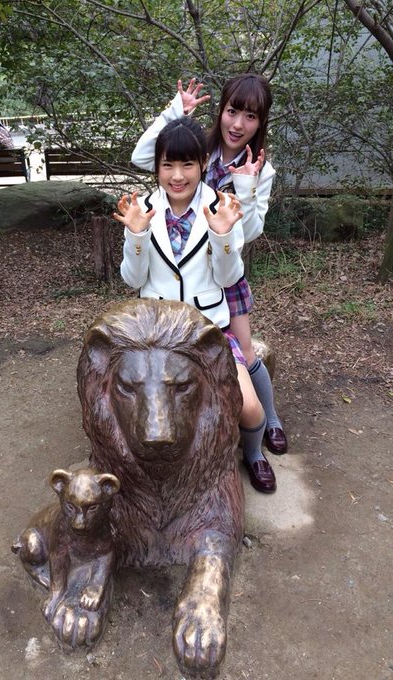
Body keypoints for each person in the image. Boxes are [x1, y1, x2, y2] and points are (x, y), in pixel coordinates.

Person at [114, 115, 277, 493]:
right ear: (156, 167)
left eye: (187, 164)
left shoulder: (222, 206)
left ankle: (254, 454)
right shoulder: (142, 208)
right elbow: (133, 280)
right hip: (156, 337)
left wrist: (223, 236)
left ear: (203, 163)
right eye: (167, 165)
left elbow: (228, 278)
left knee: (249, 408)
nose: (177, 176)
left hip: (210, 331)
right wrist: (136, 235)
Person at [130, 75, 288, 456]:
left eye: (250, 117)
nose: (238, 124)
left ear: (261, 122)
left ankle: (269, 418)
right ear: (221, 111)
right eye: (232, 111)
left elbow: (251, 231)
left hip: (225, 267)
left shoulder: (260, 169)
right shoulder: (201, 149)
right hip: (185, 273)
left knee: (245, 351)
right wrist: (175, 112)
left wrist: (245, 187)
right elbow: (144, 158)